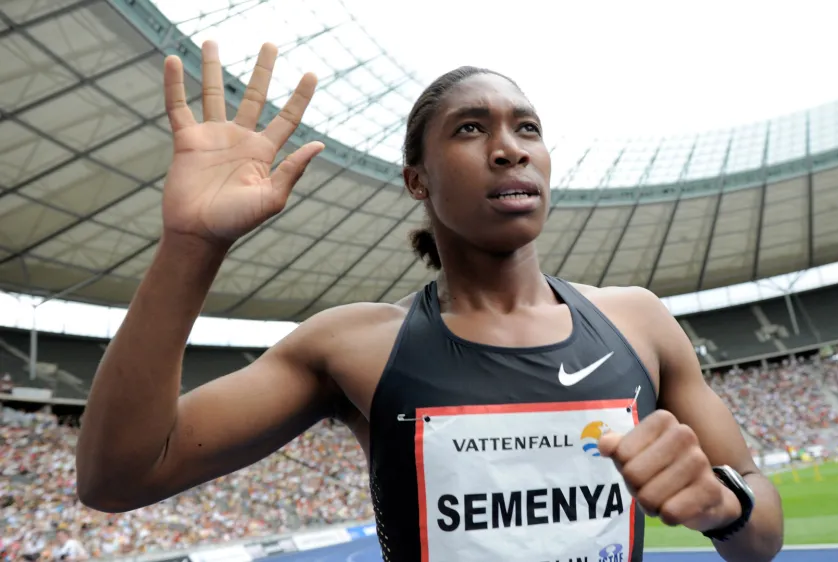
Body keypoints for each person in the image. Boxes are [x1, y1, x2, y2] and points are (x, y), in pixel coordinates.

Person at [75, 40, 783, 562]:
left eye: (527, 128)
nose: (510, 149)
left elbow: (761, 537)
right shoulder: (353, 347)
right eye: (471, 129)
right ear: (416, 179)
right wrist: (191, 245)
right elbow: (119, 476)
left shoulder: (638, 320)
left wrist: (725, 505)